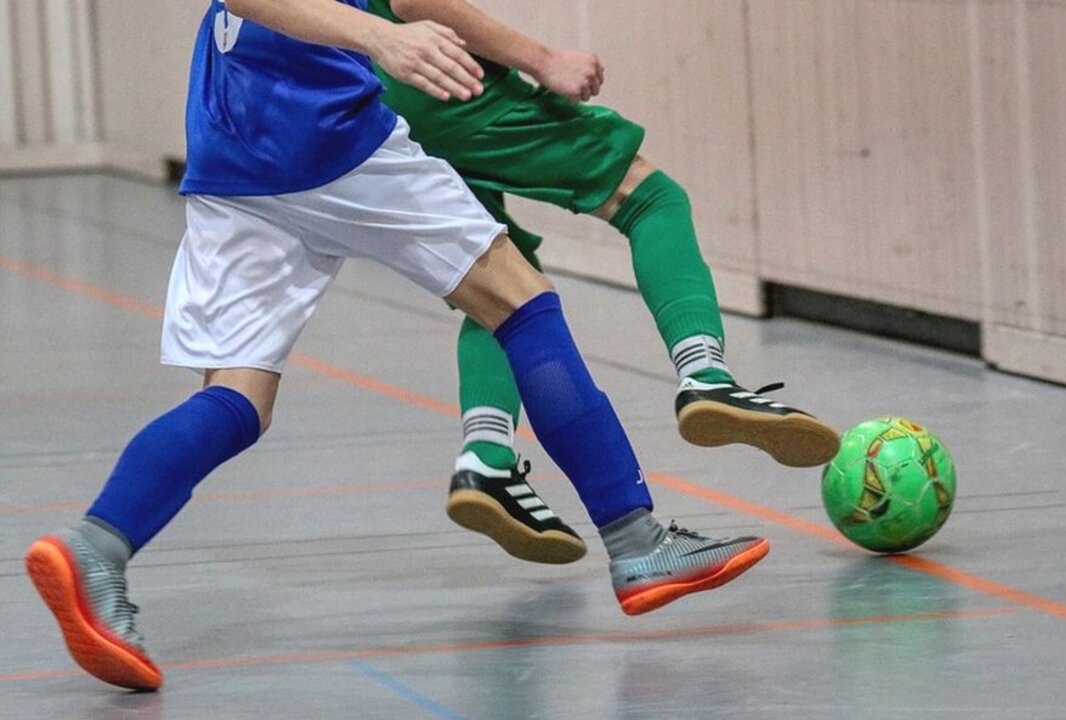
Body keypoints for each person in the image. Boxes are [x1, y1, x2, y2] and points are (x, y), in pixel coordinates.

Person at [24, 0, 769, 692]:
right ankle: (635, 539)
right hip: (321, 130)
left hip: (232, 139)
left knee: (237, 396)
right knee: (521, 301)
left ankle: (97, 546)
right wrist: (381, 35)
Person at [365, 0, 841, 564]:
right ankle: (705, 374)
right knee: (649, 197)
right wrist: (543, 60)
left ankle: (487, 456)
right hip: (441, 78)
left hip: (371, 98)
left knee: (499, 284)